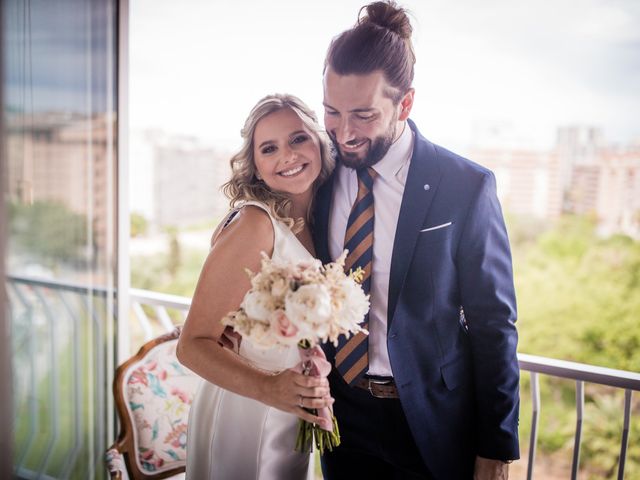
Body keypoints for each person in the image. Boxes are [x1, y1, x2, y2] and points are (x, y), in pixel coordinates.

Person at [313, 2, 520, 479]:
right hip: (343, 419)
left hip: (433, 421)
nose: (343, 133)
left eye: (363, 116)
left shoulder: (465, 186)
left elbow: (495, 324)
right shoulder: (319, 173)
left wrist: (497, 447)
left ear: (404, 104)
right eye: (331, 112)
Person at [177, 93, 336, 480]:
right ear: (256, 168)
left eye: (297, 138)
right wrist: (269, 389)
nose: (287, 155)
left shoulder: (324, 221)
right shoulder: (255, 224)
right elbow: (191, 344)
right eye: (269, 148)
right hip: (245, 409)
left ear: (318, 141)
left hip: (292, 412)